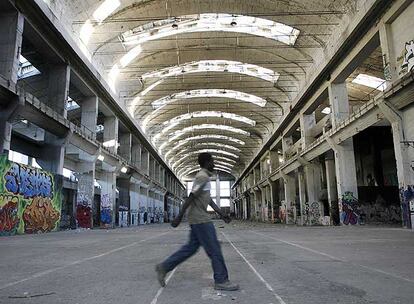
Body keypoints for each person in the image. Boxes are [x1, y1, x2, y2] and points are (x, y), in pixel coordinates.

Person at [155, 152, 239, 291]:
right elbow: (191, 196)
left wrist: (222, 214)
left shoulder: (205, 178)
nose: (214, 164)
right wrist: (179, 216)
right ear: (206, 162)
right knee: (215, 250)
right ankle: (221, 280)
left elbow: (209, 200)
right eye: (212, 161)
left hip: (198, 218)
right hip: (201, 220)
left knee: (190, 248)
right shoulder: (202, 177)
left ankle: (164, 267)